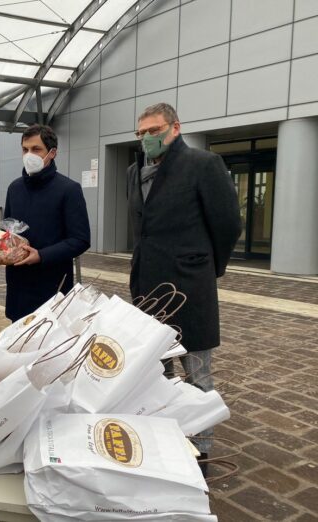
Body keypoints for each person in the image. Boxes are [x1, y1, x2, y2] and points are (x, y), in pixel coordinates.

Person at [127, 102, 242, 466]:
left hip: (190, 285)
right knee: (158, 371)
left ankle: (201, 449)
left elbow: (227, 223)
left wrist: (208, 267)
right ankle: (167, 439)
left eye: (154, 130)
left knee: (197, 372)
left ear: (175, 128)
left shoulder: (202, 164)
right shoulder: (135, 171)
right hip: (148, 286)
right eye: (141, 132)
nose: (147, 138)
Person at [3, 124, 91, 322]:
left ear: (52, 153)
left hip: (53, 288)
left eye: (36, 149)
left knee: (52, 347)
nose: (29, 155)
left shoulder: (69, 189)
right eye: (25, 149)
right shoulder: (14, 188)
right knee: (17, 347)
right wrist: (1, 248)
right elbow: (7, 230)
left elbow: (80, 240)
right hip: (18, 288)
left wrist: (41, 256)